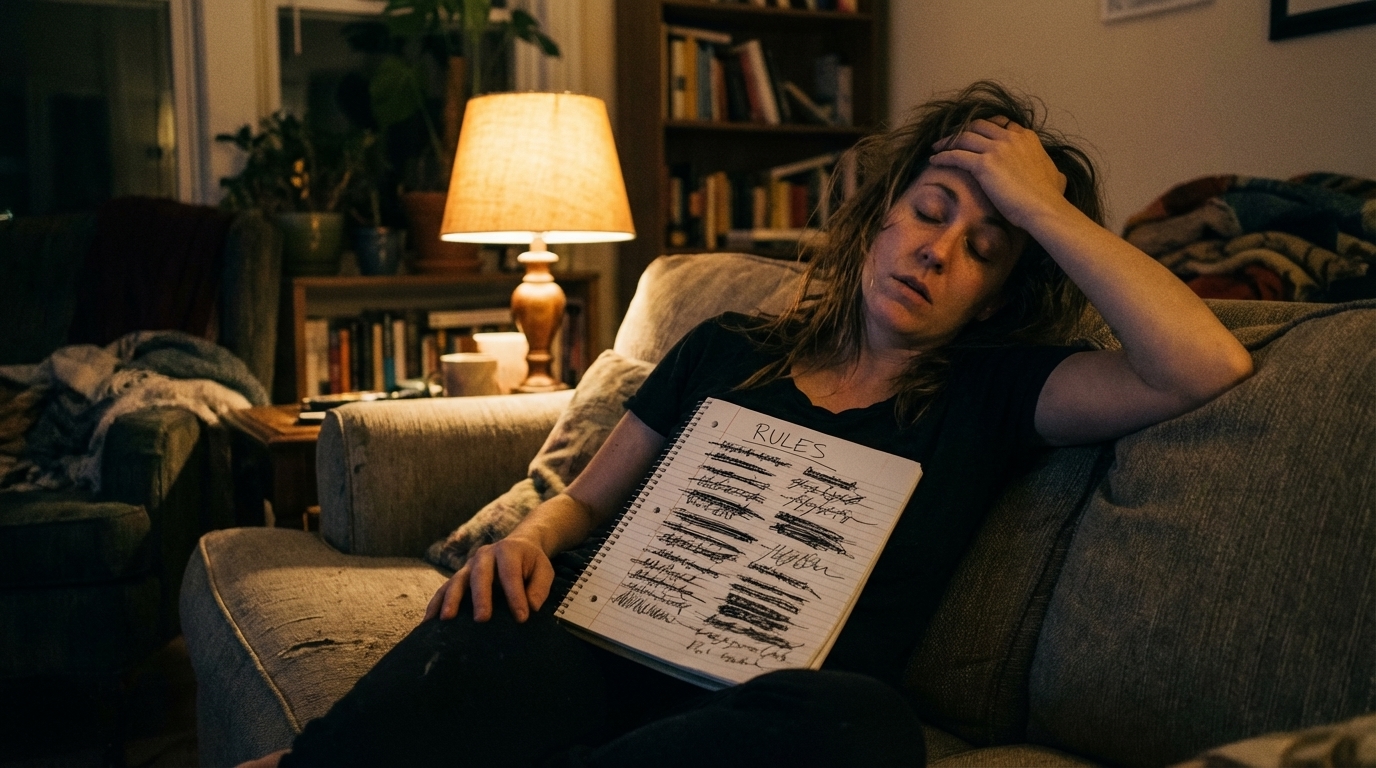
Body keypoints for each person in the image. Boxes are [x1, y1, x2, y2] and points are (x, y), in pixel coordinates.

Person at [247, 82, 1253, 768]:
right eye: (929, 212)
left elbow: (1199, 364)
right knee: (483, 620)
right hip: (604, 652)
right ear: (880, 217)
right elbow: (585, 497)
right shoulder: (725, 346)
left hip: (762, 711)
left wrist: (1044, 210)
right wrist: (523, 541)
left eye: (983, 246)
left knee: (862, 726)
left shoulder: (996, 392)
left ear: (996, 291)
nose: (938, 252)